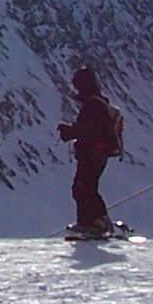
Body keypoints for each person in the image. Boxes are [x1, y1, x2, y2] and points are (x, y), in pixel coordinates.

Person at [57, 66, 120, 238]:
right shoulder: (98, 103)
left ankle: (98, 223)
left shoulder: (93, 105)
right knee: (84, 186)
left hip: (92, 153)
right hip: (95, 153)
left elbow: (88, 130)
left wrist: (69, 132)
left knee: (84, 187)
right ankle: (87, 223)